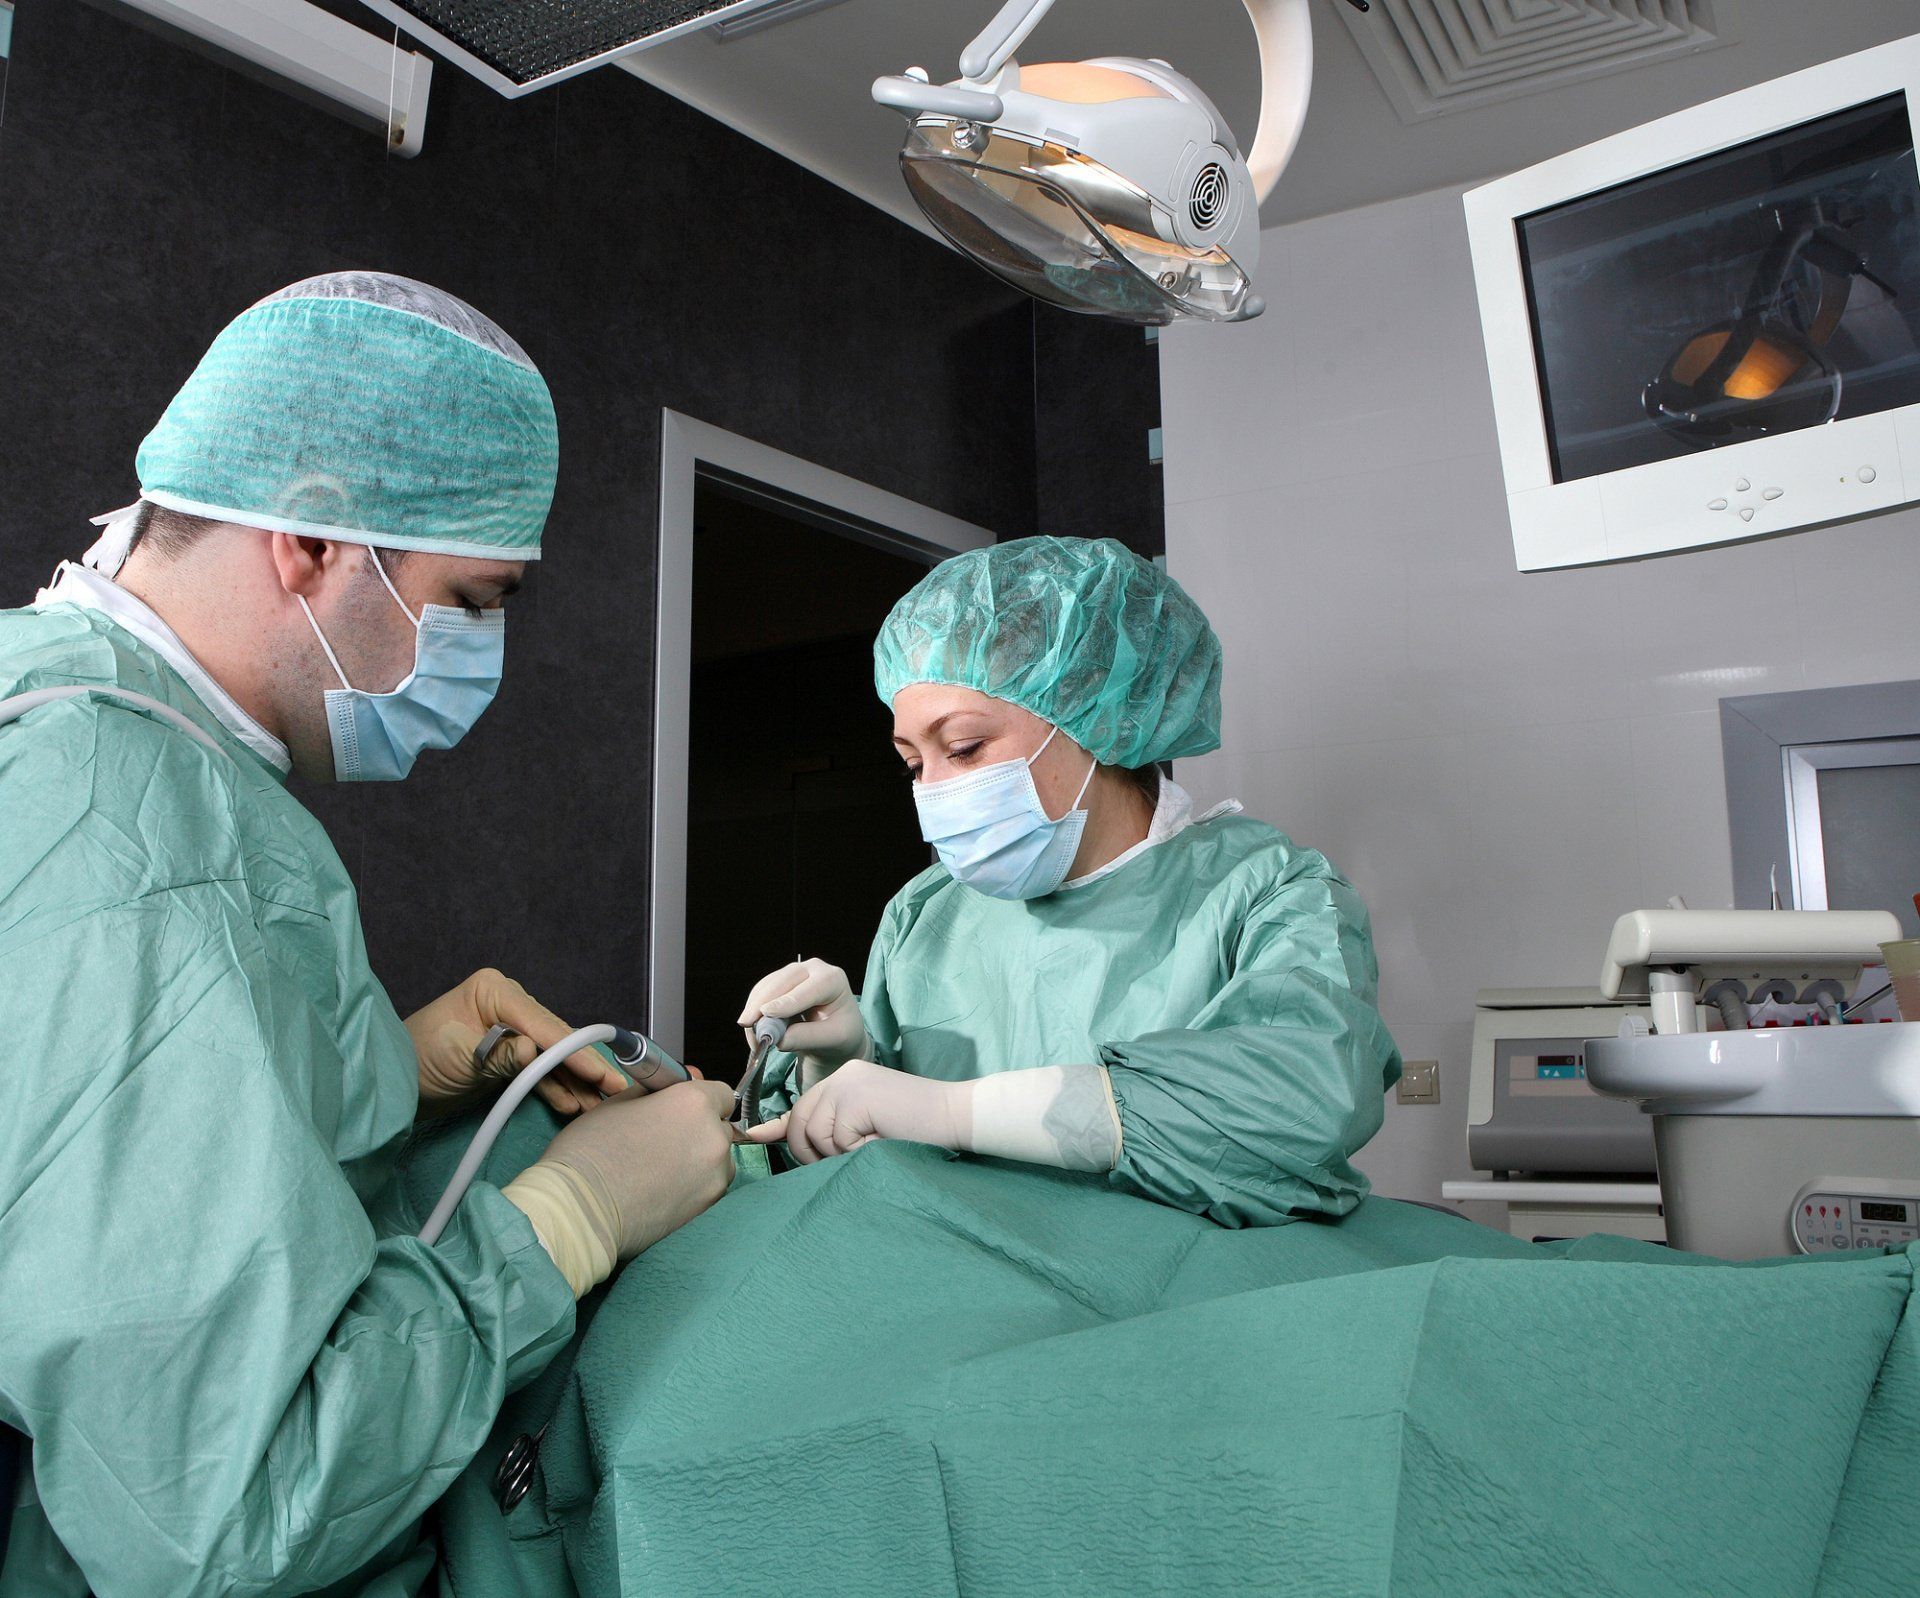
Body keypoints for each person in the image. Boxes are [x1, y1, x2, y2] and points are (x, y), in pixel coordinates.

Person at [0, 275, 736, 1596]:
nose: (488, 646)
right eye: (476, 596)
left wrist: (380, 1064)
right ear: (316, 543)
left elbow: (78, 1152)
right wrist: (566, 1219)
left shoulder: (59, 715)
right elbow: (218, 1510)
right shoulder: (140, 847)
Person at [741, 535, 1401, 1227]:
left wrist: (953, 1112)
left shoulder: (1269, 893)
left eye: (963, 748)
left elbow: (1298, 1107)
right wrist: (842, 1062)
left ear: (1099, 715)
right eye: (913, 764)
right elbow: (834, 1175)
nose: (933, 793)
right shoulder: (926, 914)